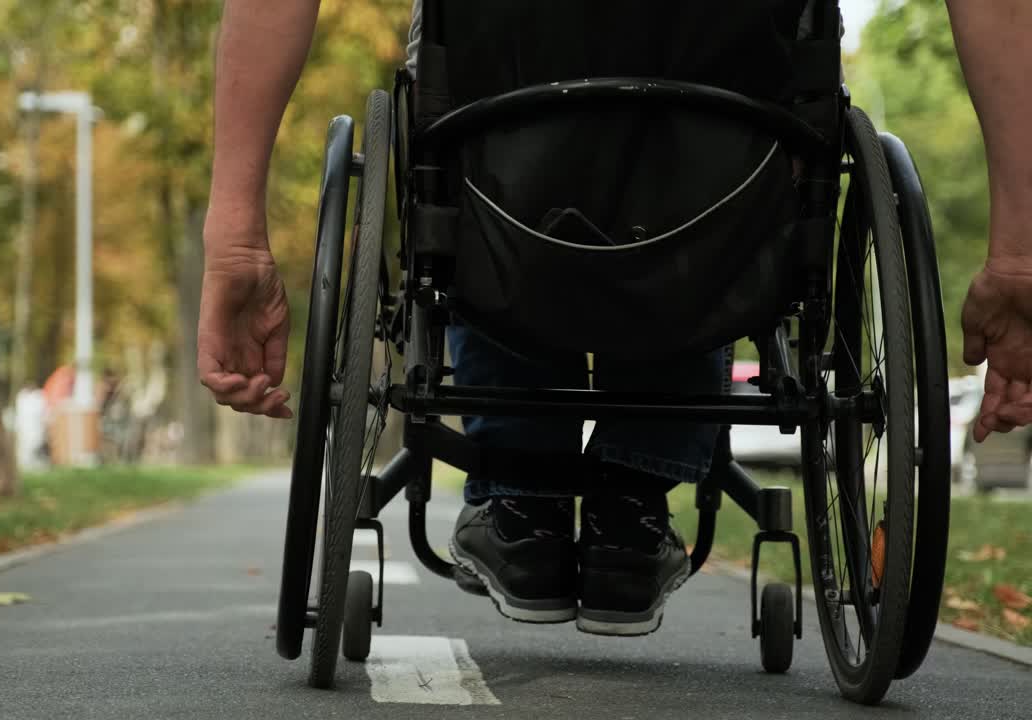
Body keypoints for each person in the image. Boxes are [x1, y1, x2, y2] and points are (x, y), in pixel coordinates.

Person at [197, 0, 1032, 635]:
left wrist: (234, 234)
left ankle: (521, 495)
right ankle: (632, 502)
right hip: (738, 158)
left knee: (482, 119)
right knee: (707, 125)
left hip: (498, 151)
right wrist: (1020, 255)